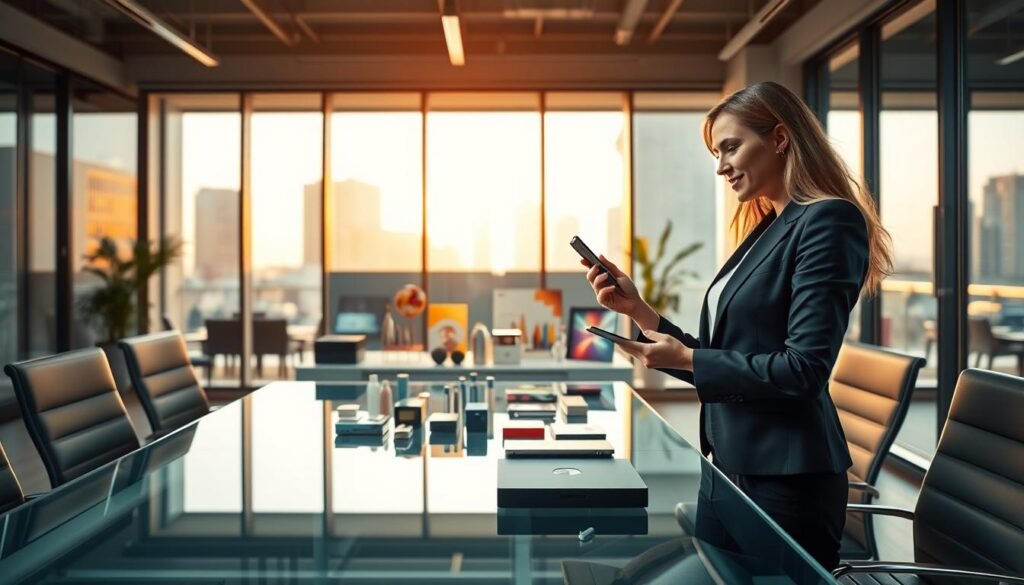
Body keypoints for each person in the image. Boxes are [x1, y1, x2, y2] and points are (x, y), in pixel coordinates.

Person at [581, 81, 893, 570]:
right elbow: (725, 356)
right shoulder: (767, 227)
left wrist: (689, 359)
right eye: (716, 153)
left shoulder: (828, 221)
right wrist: (639, 313)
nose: (721, 165)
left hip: (786, 481)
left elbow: (804, 369)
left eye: (731, 147)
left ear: (781, 138)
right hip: (727, 469)